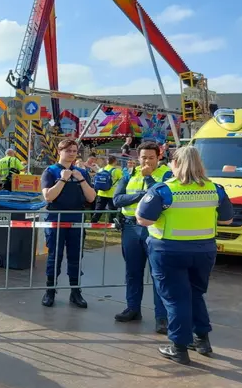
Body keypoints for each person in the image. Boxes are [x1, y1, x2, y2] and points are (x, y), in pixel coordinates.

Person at [135, 146, 234, 365]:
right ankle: (202, 341)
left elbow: (144, 220)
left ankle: (179, 347)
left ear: (175, 164)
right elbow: (227, 220)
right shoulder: (215, 189)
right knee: (195, 295)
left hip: (169, 251)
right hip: (204, 251)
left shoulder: (163, 190)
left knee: (175, 299)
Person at [111, 141, 172, 333]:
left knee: (158, 274)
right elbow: (117, 199)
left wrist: (149, 181)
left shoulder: (167, 175)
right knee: (133, 271)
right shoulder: (130, 173)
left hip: (154, 229)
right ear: (138, 157)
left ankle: (161, 317)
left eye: (151, 158)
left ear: (159, 157)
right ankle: (133, 308)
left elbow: (164, 200)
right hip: (130, 227)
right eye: (143, 157)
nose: (147, 161)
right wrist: (141, 196)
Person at [40, 139, 97, 308]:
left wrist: (81, 180)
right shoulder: (50, 172)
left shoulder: (81, 172)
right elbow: (48, 197)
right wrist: (62, 180)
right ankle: (50, 291)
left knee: (75, 257)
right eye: (68, 150)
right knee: (54, 257)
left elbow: (91, 197)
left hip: (76, 220)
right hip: (56, 219)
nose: (72, 153)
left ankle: (75, 291)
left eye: (74, 150)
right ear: (60, 151)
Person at [91, 155, 122, 222]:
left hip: (101, 192)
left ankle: (93, 221)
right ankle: (111, 223)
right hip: (112, 193)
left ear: (107, 161)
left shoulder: (101, 169)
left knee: (98, 209)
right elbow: (122, 180)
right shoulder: (117, 171)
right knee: (112, 210)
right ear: (115, 162)